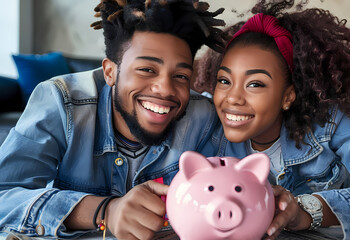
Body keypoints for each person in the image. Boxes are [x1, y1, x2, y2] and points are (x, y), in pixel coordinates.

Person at [0, 0, 225, 239]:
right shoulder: (61, 102)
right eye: (147, 69)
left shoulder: (204, 118)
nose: (165, 89)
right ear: (110, 72)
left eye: (180, 75)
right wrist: (105, 210)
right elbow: (4, 196)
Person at [208, 1, 350, 239]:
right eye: (224, 81)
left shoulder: (329, 122)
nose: (233, 98)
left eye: (255, 84)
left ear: (287, 96)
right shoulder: (202, 119)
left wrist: (307, 209)